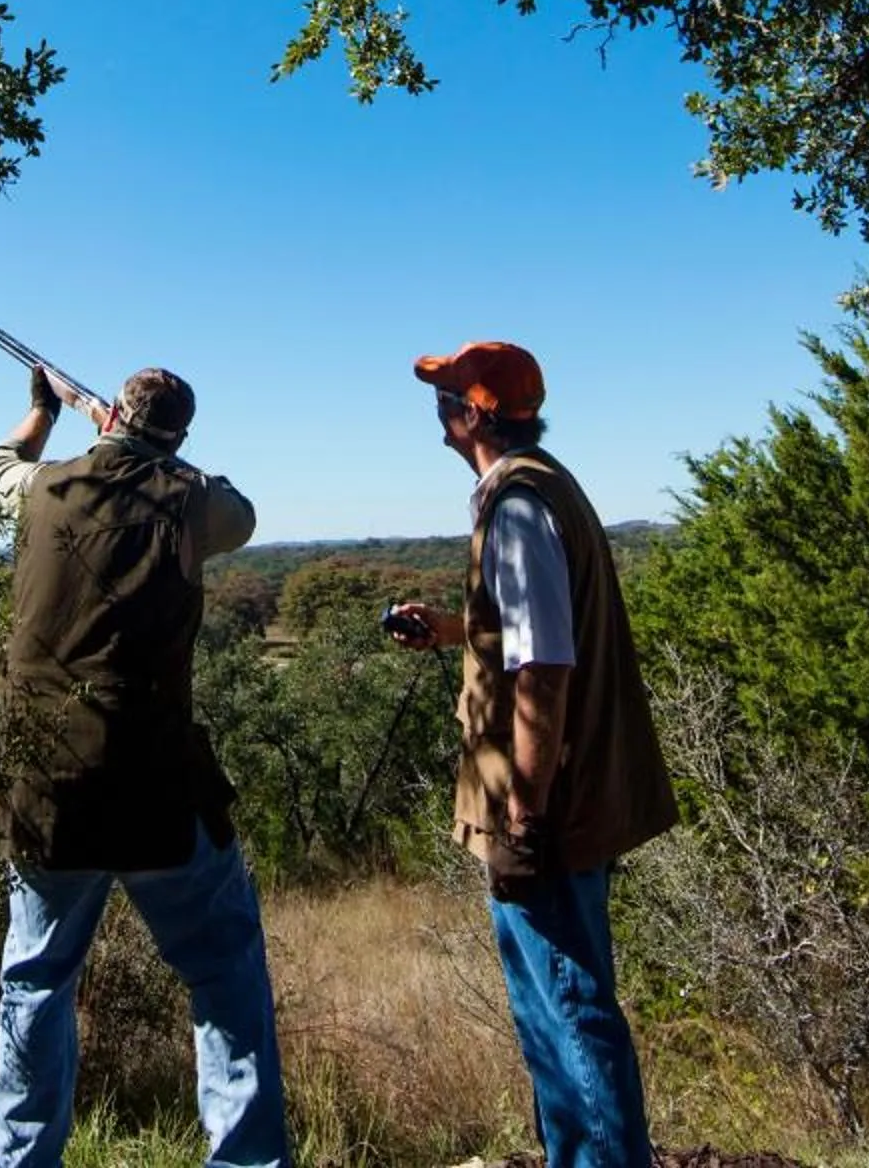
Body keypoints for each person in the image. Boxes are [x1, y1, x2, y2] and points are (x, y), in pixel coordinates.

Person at [0, 360, 291, 1168]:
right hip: (157, 790)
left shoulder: (45, 489)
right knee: (226, 977)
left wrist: (46, 413)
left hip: (47, 791)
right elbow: (243, 513)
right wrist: (147, 448)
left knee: (35, 985)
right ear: (179, 433)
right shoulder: (188, 497)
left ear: (114, 411)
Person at [387, 339, 676, 1168]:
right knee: (553, 1011)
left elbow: (545, 668)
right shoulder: (540, 484)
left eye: (445, 399)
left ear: (474, 414)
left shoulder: (515, 505)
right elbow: (529, 632)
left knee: (571, 1013)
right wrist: (452, 630)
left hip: (545, 807)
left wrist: (523, 814)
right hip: (560, 799)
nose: (437, 415)